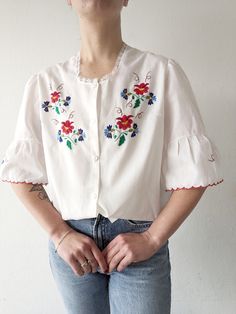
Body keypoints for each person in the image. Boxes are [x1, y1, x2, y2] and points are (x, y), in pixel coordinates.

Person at [0, 1, 224, 313]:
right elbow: (23, 176)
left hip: (140, 241)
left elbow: (194, 174)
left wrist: (152, 239)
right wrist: (60, 234)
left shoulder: (161, 74)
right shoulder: (44, 84)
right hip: (72, 246)